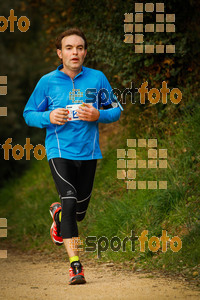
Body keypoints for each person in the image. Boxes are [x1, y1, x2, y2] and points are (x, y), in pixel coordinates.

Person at [23, 28, 122, 285]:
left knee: (78, 213)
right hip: (59, 151)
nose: (74, 52)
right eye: (69, 48)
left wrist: (98, 115)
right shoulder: (47, 82)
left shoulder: (97, 78)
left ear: (85, 52)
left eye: (79, 48)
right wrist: (48, 117)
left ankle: (58, 216)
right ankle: (75, 266)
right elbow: (29, 113)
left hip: (88, 153)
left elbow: (116, 110)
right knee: (69, 200)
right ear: (60, 53)